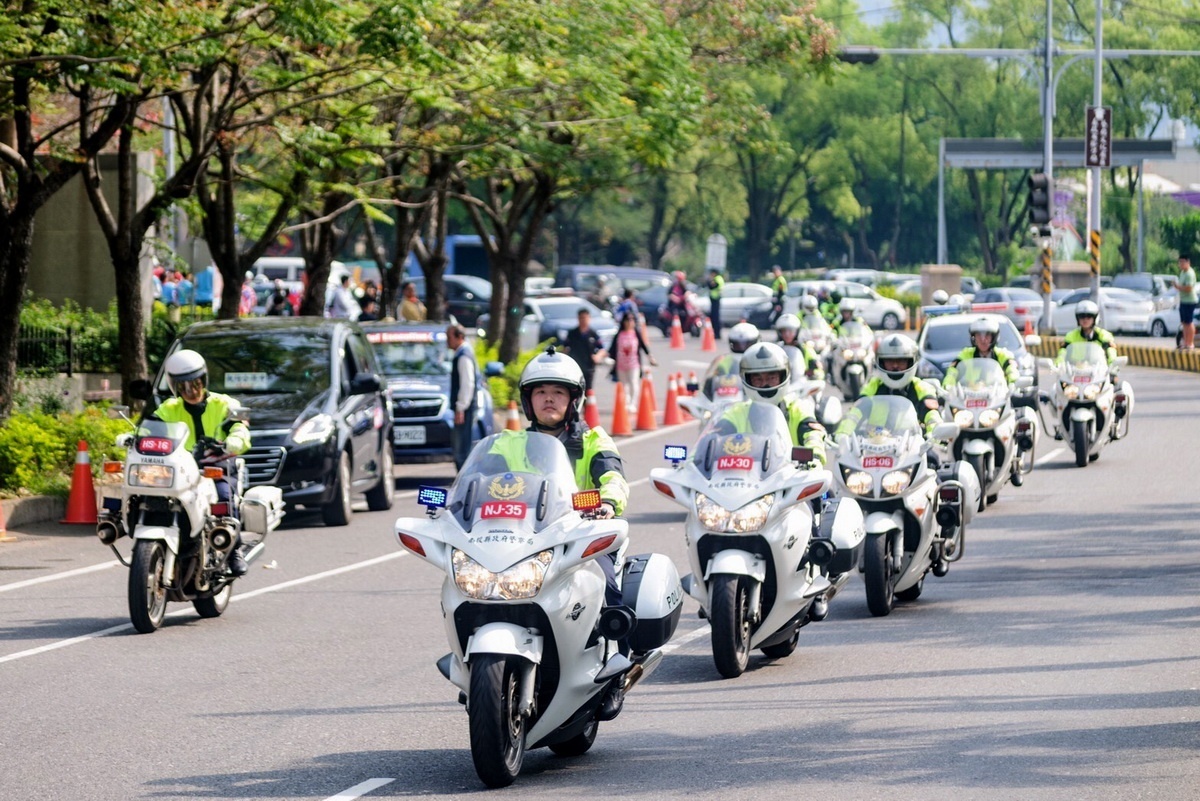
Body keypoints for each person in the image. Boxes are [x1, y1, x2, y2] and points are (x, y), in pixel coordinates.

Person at [516, 347, 630, 716]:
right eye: (541, 391)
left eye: (559, 392)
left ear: (574, 400)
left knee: (609, 587)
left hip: (581, 540)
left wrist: (608, 503)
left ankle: (614, 672)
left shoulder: (594, 440)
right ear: (528, 400)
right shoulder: (510, 445)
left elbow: (613, 477)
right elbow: (477, 484)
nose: (549, 398)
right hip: (524, 542)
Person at [151, 350, 252, 575]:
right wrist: (132, 437)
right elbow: (149, 428)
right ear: (175, 387)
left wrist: (235, 439)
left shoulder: (223, 404)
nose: (191, 391)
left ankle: (234, 549)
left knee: (224, 497)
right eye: (184, 387)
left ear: (204, 381)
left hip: (216, 466)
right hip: (180, 468)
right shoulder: (169, 408)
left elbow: (239, 426)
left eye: (195, 384)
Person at [713, 342, 827, 463]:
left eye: (772, 378)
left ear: (783, 376)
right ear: (747, 379)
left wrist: (815, 456)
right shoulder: (737, 412)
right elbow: (714, 436)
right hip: (744, 477)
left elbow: (813, 434)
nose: (765, 384)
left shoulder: (797, 408)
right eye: (758, 379)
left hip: (790, 477)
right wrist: (694, 460)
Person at [835, 334, 942, 437]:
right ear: (881, 362)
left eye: (901, 361)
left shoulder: (921, 387)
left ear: (911, 362)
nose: (895, 366)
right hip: (875, 445)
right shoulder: (874, 385)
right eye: (889, 361)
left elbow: (932, 415)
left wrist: (935, 431)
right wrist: (843, 433)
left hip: (912, 448)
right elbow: (855, 412)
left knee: (932, 456)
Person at [943, 317, 1019, 387]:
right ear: (973, 338)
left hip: (997, 397)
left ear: (994, 337)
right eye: (979, 335)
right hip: (969, 396)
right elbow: (952, 371)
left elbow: (1011, 368)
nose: (983, 340)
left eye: (987, 335)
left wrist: (1014, 382)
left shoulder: (1002, 354)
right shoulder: (966, 353)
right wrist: (948, 385)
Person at [447, 323, 478, 470]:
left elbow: (467, 383)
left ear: (459, 337)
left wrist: (461, 406)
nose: (448, 341)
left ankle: (464, 482)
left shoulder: (463, 356)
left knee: (461, 449)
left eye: (449, 337)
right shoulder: (463, 353)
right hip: (464, 407)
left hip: (465, 409)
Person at [1055, 299, 1117, 365]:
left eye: (1089, 316)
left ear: (1095, 318)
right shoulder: (1071, 336)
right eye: (1082, 316)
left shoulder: (1103, 335)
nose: (1085, 319)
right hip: (1076, 371)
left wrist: (1113, 367)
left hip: (1098, 371)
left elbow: (1111, 353)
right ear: (1077, 318)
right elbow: (1063, 353)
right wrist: (1058, 365)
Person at [611, 312, 652, 412]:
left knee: (634, 383)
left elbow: (643, 345)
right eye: (627, 320)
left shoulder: (636, 333)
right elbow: (612, 349)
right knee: (624, 385)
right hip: (621, 364)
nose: (629, 323)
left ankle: (633, 403)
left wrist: (650, 357)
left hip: (634, 363)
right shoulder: (619, 334)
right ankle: (626, 402)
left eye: (632, 320)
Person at [561, 307, 606, 392]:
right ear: (578, 318)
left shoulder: (593, 334)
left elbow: (602, 349)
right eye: (581, 318)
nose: (583, 320)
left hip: (589, 366)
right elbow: (565, 348)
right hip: (575, 365)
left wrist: (597, 356)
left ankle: (587, 404)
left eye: (585, 318)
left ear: (589, 318)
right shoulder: (572, 334)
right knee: (575, 387)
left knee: (587, 389)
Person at [774, 313, 825, 381]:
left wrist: (813, 374)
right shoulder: (777, 349)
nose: (787, 334)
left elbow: (819, 370)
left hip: (800, 384)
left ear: (797, 331)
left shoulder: (806, 349)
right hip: (782, 384)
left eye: (791, 331)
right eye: (784, 331)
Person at [1175, 254, 1197, 350]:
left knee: (1189, 322)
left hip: (1190, 301)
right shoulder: (1182, 273)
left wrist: (1178, 287)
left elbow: (1189, 288)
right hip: (1183, 300)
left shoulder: (1189, 273)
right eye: (1180, 262)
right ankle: (1185, 343)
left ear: (1188, 262)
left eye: (1183, 262)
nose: (1181, 264)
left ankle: (1190, 343)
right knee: (1184, 322)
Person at [706, 267, 725, 337]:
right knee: (713, 317)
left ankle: (717, 334)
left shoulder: (717, 279)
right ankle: (715, 333)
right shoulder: (718, 278)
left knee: (715, 317)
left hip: (715, 299)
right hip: (714, 299)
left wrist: (709, 280)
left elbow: (711, 286)